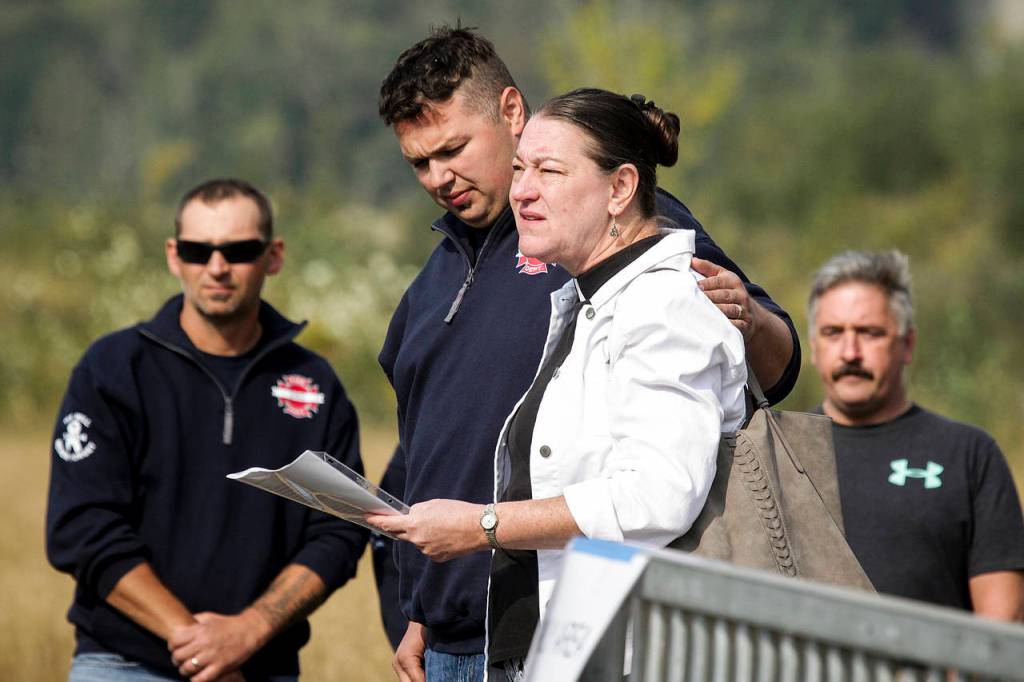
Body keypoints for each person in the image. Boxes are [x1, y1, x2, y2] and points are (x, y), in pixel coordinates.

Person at [374, 25, 800, 682]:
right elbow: (423, 453)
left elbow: (761, 371)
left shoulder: (620, 242)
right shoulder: (428, 287)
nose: (438, 176)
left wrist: (751, 320)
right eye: (419, 162)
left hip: (580, 625)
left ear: (511, 112)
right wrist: (416, 608)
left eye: (453, 148)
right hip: (455, 641)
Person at [46, 178, 368, 681]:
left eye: (238, 250)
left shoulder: (316, 385)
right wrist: (200, 647)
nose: (217, 267)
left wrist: (250, 631)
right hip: (123, 664)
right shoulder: (112, 369)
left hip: (261, 666)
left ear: (274, 255)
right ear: (175, 256)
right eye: (199, 250)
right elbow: (81, 530)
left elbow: (339, 529)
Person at [808, 249, 1024, 620]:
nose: (850, 352)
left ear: (907, 344)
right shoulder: (776, 450)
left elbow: (1002, 625)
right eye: (833, 333)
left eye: (869, 333)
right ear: (813, 346)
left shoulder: (969, 455)